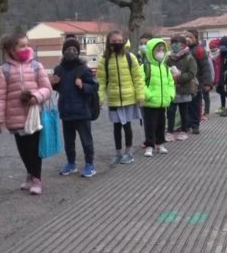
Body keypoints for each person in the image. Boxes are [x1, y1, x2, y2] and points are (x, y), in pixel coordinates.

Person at [0, 32, 52, 195]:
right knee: (23, 149)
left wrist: (36, 97)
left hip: (34, 115)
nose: (26, 48)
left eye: (27, 45)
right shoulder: (3, 70)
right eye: (22, 45)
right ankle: (30, 173)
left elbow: (47, 88)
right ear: (12, 49)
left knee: (34, 149)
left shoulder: (36, 66)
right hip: (14, 117)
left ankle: (36, 179)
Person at [50, 35, 98, 177]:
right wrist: (53, 83)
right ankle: (71, 163)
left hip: (82, 111)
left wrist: (83, 85)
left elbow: (94, 86)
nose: (71, 52)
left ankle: (90, 164)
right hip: (66, 111)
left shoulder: (83, 69)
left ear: (78, 51)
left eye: (74, 49)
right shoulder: (59, 69)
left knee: (86, 140)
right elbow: (58, 87)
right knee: (69, 141)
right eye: (68, 49)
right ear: (63, 51)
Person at [98, 30, 145, 165]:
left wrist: (140, 96)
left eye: (120, 41)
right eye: (114, 41)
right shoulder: (104, 60)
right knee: (116, 127)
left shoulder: (131, 58)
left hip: (129, 98)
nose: (118, 43)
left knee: (127, 126)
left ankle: (128, 152)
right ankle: (118, 153)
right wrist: (100, 99)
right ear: (109, 43)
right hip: (113, 99)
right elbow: (101, 82)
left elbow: (137, 79)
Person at [141, 38, 175, 157]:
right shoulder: (145, 67)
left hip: (162, 102)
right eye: (157, 50)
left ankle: (160, 143)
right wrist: (149, 95)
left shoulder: (165, 67)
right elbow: (141, 83)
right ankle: (149, 145)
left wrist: (170, 95)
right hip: (150, 103)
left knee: (161, 124)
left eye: (162, 49)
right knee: (150, 125)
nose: (160, 52)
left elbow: (171, 83)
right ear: (151, 51)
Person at [165, 35, 197, 141]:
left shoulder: (189, 58)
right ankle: (169, 131)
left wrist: (178, 78)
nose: (174, 45)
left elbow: (192, 73)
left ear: (183, 45)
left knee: (184, 111)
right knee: (171, 111)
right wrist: (170, 77)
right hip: (172, 89)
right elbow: (165, 69)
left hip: (185, 88)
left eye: (176, 43)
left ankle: (184, 130)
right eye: (172, 43)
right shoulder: (169, 58)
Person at [185, 30, 212, 133]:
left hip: (197, 83)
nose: (187, 38)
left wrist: (207, 83)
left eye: (190, 36)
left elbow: (206, 68)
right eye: (186, 36)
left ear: (195, 38)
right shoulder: (184, 50)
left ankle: (195, 125)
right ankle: (186, 124)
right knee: (186, 105)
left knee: (196, 105)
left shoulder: (199, 51)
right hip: (186, 83)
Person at [208, 39, 225, 114]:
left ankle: (224, 106)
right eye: (211, 47)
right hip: (215, 75)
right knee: (219, 90)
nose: (212, 49)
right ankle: (224, 105)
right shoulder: (210, 55)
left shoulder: (221, 54)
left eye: (213, 47)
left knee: (221, 91)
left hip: (221, 75)